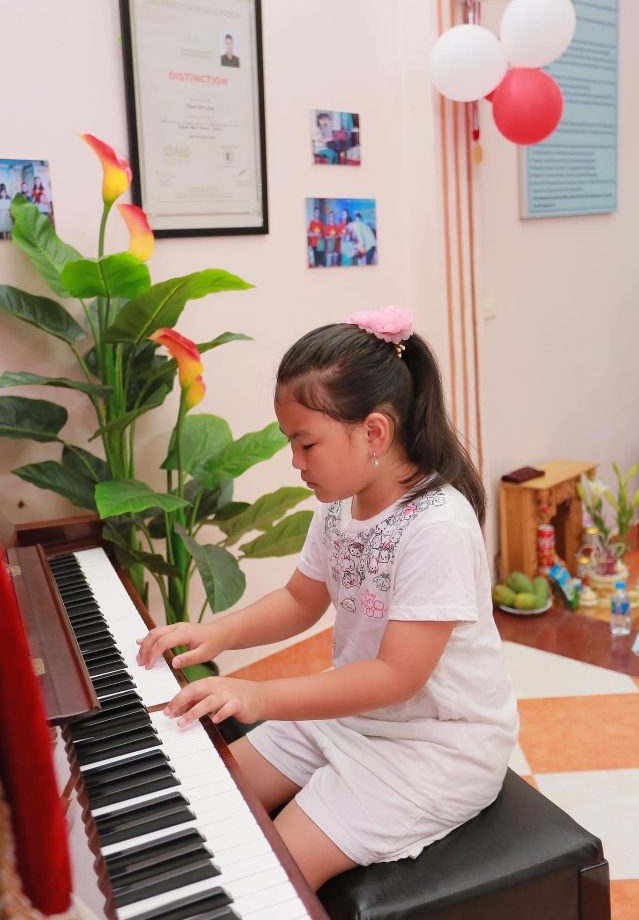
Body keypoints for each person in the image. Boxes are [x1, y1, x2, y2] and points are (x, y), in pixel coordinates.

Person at [137, 305, 519, 893]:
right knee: (212, 793)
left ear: (374, 433)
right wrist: (216, 633)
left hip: (436, 748)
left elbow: (396, 676)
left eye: (306, 443)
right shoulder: (341, 504)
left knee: (271, 871)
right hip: (353, 716)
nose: (295, 461)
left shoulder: (438, 525)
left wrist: (259, 695)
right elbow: (300, 599)